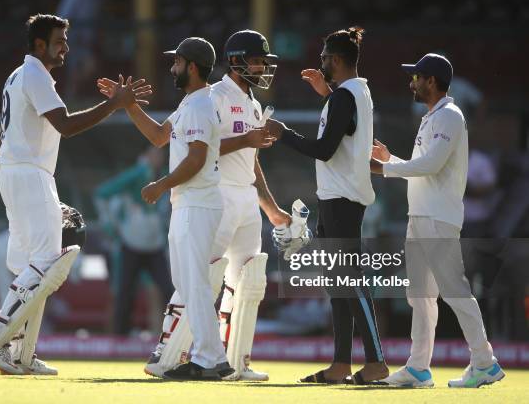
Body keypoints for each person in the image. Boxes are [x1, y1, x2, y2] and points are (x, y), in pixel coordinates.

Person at [0, 13, 150, 376]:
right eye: (59, 41)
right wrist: (115, 104)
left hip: (16, 172)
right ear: (39, 44)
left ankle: (20, 353)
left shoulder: (22, 74)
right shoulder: (34, 74)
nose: (66, 47)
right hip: (28, 173)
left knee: (26, 266)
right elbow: (65, 125)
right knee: (49, 260)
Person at [147, 29, 291, 381]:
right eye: (255, 60)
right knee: (198, 279)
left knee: (244, 285)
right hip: (217, 194)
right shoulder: (213, 96)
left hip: (244, 197)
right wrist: (246, 139)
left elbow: (251, 160)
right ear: (236, 60)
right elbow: (205, 148)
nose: (260, 67)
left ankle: (236, 362)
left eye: (262, 61)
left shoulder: (255, 103)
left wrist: (269, 207)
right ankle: (168, 352)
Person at [97, 37, 233, 381]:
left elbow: (198, 158)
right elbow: (159, 136)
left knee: (194, 282)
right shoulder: (191, 103)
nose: (171, 67)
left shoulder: (201, 105)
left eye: (176, 62)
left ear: (191, 66)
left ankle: (208, 358)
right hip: (189, 203)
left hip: (197, 203)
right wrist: (127, 105)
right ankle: (211, 356)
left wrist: (161, 184)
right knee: (186, 282)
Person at [371, 53, 505, 388]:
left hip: (438, 218)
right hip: (420, 216)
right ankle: (418, 368)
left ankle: (485, 362)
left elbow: (430, 166)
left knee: (455, 291)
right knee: (420, 296)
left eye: (416, 77)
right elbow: (423, 170)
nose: (411, 82)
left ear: (431, 81)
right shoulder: (432, 116)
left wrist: (384, 168)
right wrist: (391, 160)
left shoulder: (449, 116)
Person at [267, 27, 389, 384]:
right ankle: (340, 364)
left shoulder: (344, 97)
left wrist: (282, 133)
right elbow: (345, 130)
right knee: (337, 283)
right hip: (338, 199)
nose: (320, 64)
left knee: (349, 280)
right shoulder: (355, 92)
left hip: (343, 201)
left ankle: (377, 361)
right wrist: (328, 93)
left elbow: (324, 149)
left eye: (324, 58)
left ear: (335, 60)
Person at [93, 146, 173, 335]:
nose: (158, 158)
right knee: (123, 293)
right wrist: (111, 228)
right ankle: (118, 338)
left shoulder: (164, 175)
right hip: (131, 245)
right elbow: (102, 193)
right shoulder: (137, 174)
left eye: (160, 154)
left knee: (165, 290)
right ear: (145, 156)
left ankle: (167, 339)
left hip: (155, 245)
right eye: (154, 153)